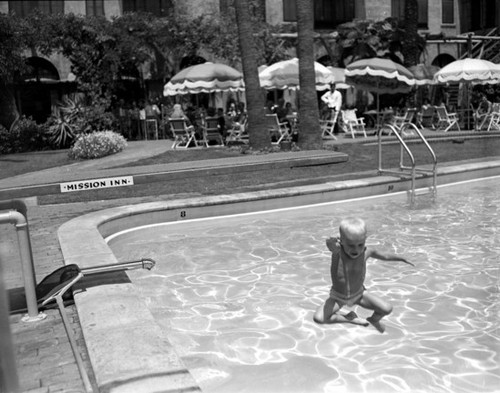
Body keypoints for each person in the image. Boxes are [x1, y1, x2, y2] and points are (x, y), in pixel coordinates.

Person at [313, 217, 414, 333]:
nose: (356, 249)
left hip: (359, 294)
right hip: (338, 297)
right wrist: (330, 242)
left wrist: (402, 258)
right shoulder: (338, 253)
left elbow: (385, 256)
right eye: (351, 245)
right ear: (341, 242)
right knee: (319, 318)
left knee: (386, 309)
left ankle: (374, 320)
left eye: (360, 244)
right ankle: (349, 319)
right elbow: (330, 244)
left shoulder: (367, 252)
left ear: (365, 240)